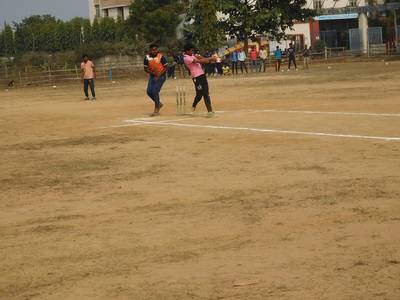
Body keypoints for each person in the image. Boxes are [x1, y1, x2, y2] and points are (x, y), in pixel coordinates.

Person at [183, 43, 216, 117]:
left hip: (202, 75)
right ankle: (194, 105)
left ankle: (210, 111)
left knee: (206, 93)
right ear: (187, 51)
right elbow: (200, 61)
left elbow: (203, 59)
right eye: (191, 50)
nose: (192, 51)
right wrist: (210, 58)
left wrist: (211, 60)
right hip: (196, 77)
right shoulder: (186, 58)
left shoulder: (193, 55)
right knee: (199, 94)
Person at [144, 44, 168, 116]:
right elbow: (145, 68)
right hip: (153, 76)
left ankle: (156, 109)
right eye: (153, 50)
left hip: (161, 76)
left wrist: (158, 75)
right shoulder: (147, 57)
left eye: (155, 50)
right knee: (148, 91)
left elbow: (166, 67)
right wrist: (152, 73)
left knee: (155, 91)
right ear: (150, 50)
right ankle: (158, 103)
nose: (154, 51)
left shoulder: (161, 57)